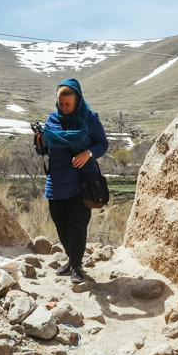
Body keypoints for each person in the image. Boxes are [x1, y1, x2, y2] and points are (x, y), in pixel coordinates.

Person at [33, 78, 108, 282]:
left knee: (77, 224)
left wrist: (88, 153)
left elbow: (103, 144)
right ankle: (72, 259)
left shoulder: (89, 119)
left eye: (67, 104)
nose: (63, 107)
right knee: (60, 223)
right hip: (56, 180)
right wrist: (40, 143)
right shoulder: (53, 120)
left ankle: (76, 266)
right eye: (60, 103)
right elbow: (44, 150)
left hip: (81, 180)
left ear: (77, 101)